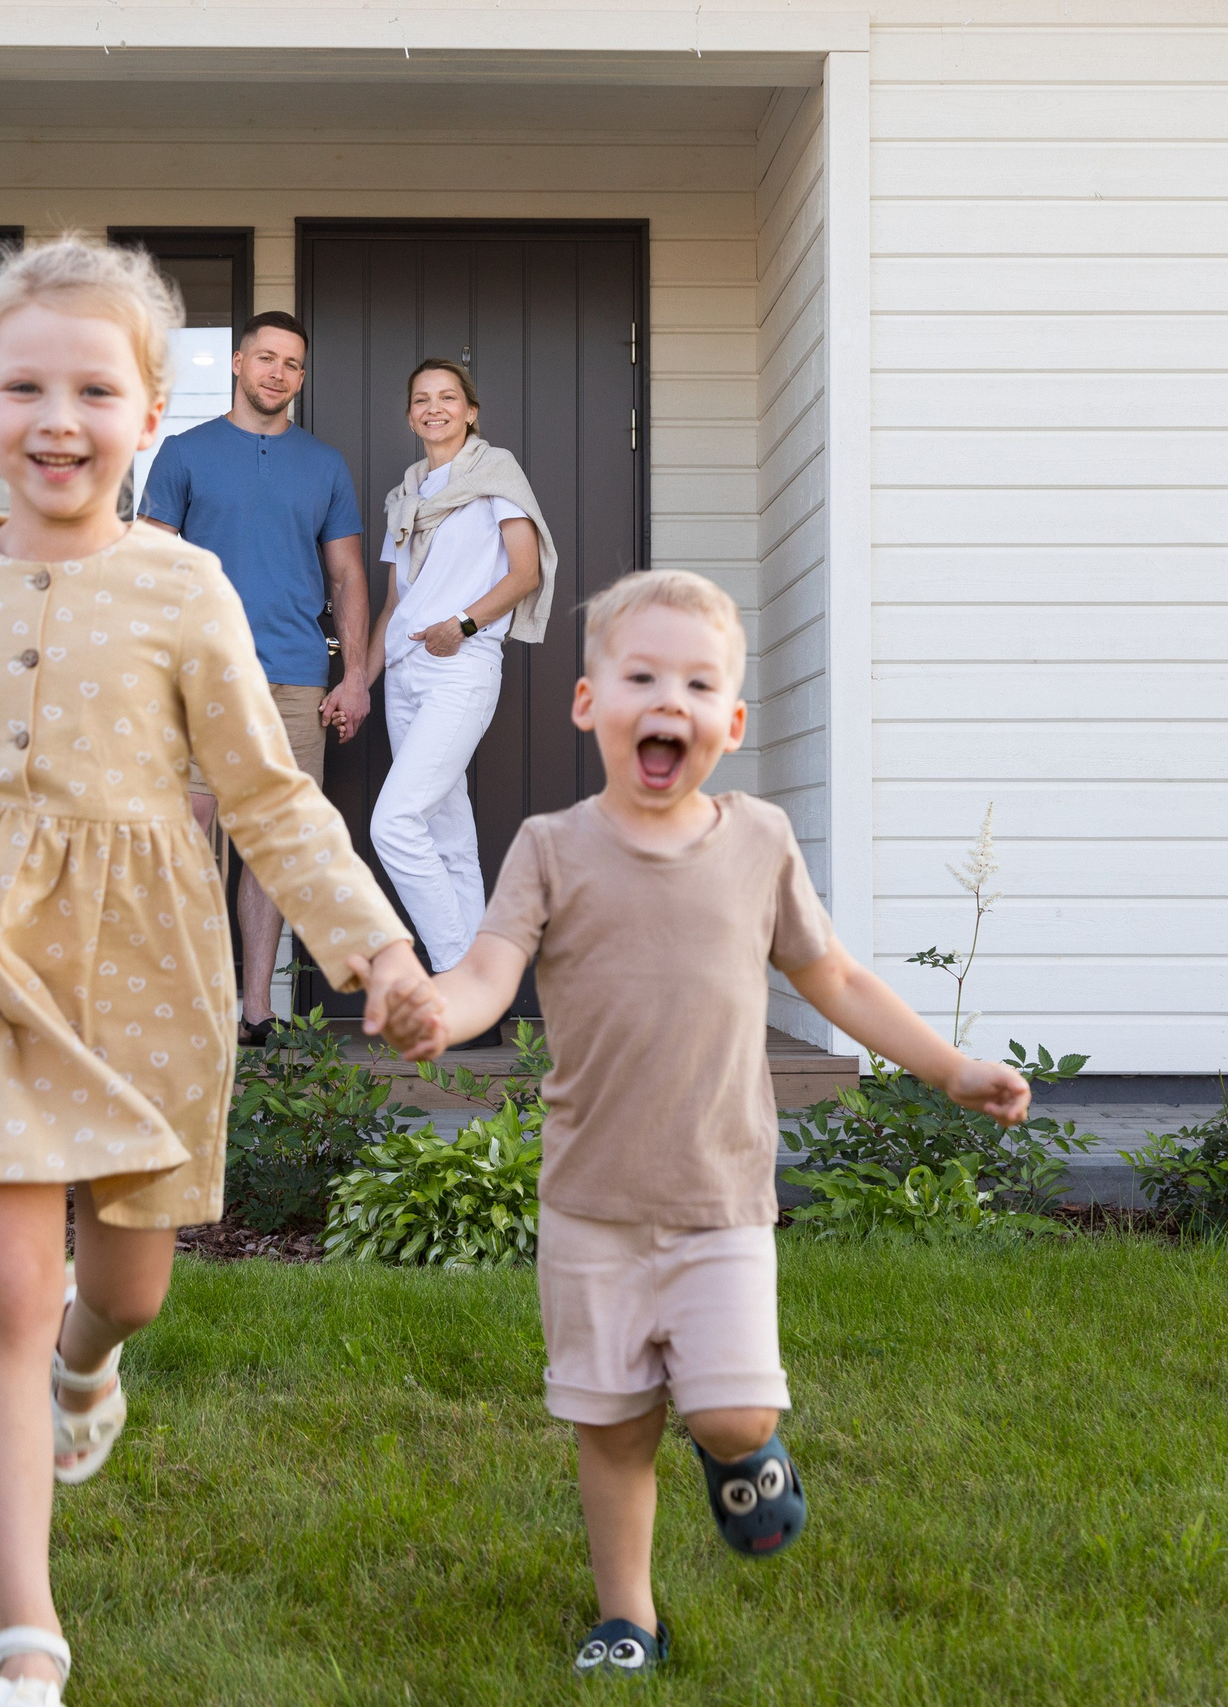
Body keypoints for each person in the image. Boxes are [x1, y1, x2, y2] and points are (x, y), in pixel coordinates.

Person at [0, 235, 442, 1707]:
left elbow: (264, 794)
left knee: (124, 1280)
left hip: (137, 951)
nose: (58, 416)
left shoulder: (184, 587)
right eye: (25, 385)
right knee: (1, 1284)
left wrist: (371, 939)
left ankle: (91, 1355)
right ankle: (25, 1637)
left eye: (93, 389)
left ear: (145, 418)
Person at [421, 569, 1031, 1680]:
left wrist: (947, 1067)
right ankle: (628, 1616)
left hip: (719, 1199)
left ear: (731, 725)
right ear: (587, 703)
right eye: (643, 676)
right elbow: (485, 974)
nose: (671, 700)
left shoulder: (758, 842)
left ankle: (741, 1453)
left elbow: (834, 977)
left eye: (699, 684)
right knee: (610, 1427)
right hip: (590, 1206)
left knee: (734, 1412)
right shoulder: (550, 850)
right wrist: (436, 1009)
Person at [139, 309, 371, 1044]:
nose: (278, 372)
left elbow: (348, 575)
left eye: (292, 363)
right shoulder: (183, 453)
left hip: (298, 680)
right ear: (238, 364)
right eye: (266, 357)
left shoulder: (324, 464)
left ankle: (256, 1011)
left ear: (301, 377)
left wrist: (357, 674)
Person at [364, 357, 556, 972]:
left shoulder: (497, 476)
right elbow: (395, 602)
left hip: (460, 665)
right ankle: (483, 994)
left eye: (448, 397)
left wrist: (463, 624)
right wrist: (359, 684)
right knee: (446, 835)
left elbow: (525, 573)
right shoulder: (404, 498)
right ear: (410, 415)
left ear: (470, 411)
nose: (434, 408)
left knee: (394, 824)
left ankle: (455, 972)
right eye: (421, 399)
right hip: (404, 674)